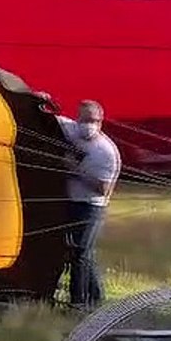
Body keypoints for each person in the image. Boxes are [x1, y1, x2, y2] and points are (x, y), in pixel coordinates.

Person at [36, 94, 121, 308]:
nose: (87, 125)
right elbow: (47, 117)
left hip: (92, 206)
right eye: (84, 119)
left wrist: (76, 170)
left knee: (80, 253)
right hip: (71, 202)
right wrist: (35, 98)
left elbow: (103, 189)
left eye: (92, 121)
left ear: (100, 122)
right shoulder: (70, 129)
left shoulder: (106, 152)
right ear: (77, 118)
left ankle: (79, 302)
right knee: (82, 252)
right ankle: (97, 299)